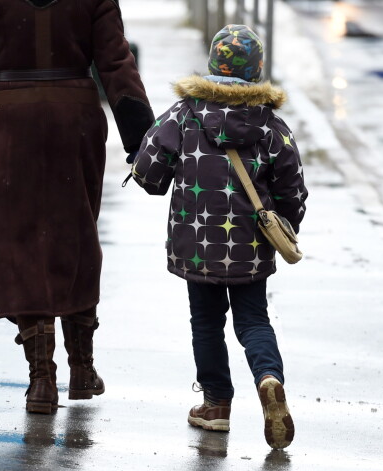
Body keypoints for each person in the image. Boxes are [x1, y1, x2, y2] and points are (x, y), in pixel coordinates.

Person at [0, 0, 154, 414]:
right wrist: (142, 137)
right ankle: (83, 368)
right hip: (76, 123)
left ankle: (41, 381)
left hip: (10, 125)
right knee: (77, 236)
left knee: (17, 246)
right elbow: (116, 63)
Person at [130, 25, 307, 449]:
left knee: (206, 322)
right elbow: (292, 189)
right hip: (249, 245)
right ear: (258, 70)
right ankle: (268, 378)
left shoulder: (184, 114)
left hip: (197, 243)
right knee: (253, 320)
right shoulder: (271, 125)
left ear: (212, 65)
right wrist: (287, 223)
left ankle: (216, 406)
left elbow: (147, 172)